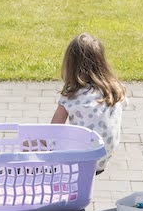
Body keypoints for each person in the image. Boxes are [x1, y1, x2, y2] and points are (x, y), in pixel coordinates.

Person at [51, 33, 126, 173]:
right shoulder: (114, 88)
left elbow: (53, 130)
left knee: (31, 141)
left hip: (80, 162)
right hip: (103, 157)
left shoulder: (71, 94)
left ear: (70, 65)